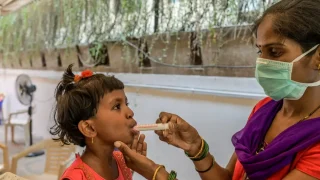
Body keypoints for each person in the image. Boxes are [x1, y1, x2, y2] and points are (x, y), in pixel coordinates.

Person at [112, 0, 320, 179]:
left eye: (274, 52)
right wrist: (196, 148)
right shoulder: (264, 110)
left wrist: (156, 173)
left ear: (317, 57)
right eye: (260, 51)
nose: (261, 63)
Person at [50, 64, 148, 180]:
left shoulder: (122, 161)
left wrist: (138, 168)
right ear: (89, 128)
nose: (130, 112)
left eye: (126, 104)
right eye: (117, 106)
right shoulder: (76, 177)